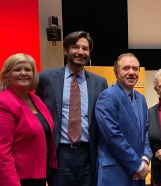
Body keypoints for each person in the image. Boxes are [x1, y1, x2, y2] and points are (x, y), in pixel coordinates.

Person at [35, 31, 108, 186]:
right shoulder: (46, 79)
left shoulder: (100, 83)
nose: (80, 52)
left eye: (85, 48)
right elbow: (37, 115)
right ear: (65, 50)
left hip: (88, 154)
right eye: (75, 47)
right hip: (59, 154)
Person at [95, 53, 152, 186]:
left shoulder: (141, 99)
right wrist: (137, 166)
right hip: (116, 173)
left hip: (139, 174)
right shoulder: (107, 97)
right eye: (126, 68)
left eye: (135, 68)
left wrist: (145, 159)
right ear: (116, 72)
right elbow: (113, 136)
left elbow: (146, 132)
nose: (131, 72)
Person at [0, 53, 57, 186]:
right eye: (17, 69)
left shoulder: (36, 100)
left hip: (39, 176)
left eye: (28, 69)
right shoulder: (4, 102)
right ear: (7, 75)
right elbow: (2, 152)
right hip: (18, 179)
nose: (23, 73)